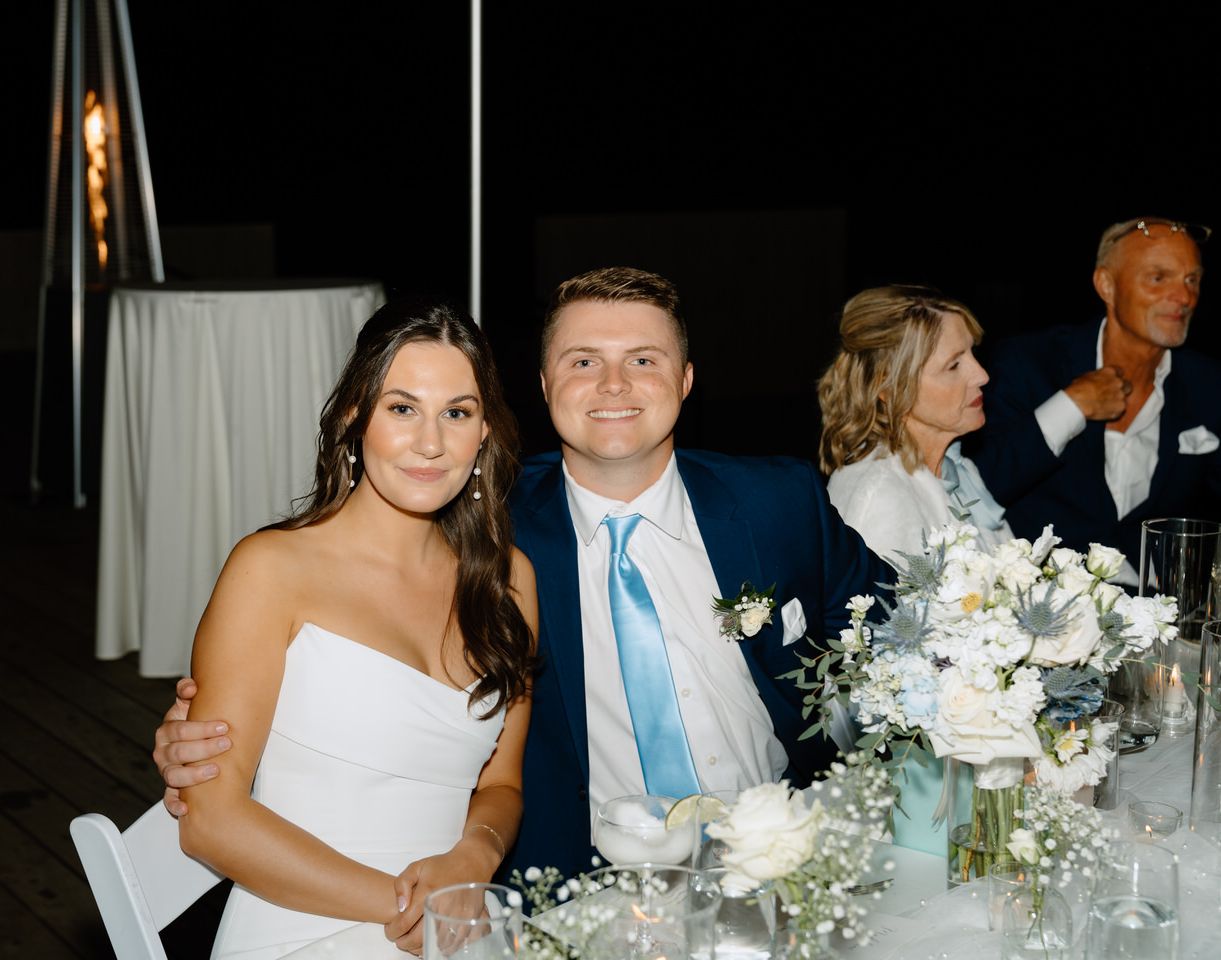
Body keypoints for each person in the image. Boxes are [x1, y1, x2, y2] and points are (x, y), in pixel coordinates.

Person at [158, 268, 889, 884]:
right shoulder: (482, 537)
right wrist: (216, 728)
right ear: (543, 385)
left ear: (688, 379)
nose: (612, 384)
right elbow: (354, 626)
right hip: (587, 887)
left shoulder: (780, 503)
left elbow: (909, 631)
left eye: (643, 359)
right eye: (582, 361)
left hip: (791, 858)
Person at [169, 297, 537, 960]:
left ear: (483, 432)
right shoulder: (272, 569)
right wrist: (410, 909)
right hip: (301, 918)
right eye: (402, 409)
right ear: (354, 416)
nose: (431, 442)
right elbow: (211, 822)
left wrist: (474, 855)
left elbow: (501, 785)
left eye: (457, 412)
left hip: (456, 913)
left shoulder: (509, 581)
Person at [965, 217, 1221, 583]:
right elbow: (975, 490)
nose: (1183, 297)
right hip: (1035, 607)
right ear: (1106, 285)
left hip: (1155, 611)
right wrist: (1070, 407)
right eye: (1158, 277)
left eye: (1192, 279)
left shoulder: (1207, 383)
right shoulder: (1030, 363)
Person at [818, 285, 1014, 565]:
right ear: (889, 386)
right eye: (954, 365)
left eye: (972, 353)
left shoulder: (956, 469)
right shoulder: (877, 496)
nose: (981, 375)